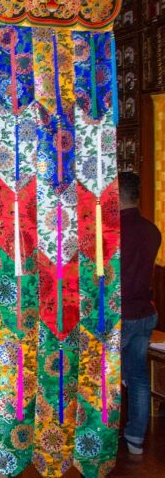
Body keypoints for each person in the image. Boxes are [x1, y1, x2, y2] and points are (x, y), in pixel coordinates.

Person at [118, 171, 160, 455]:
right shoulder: (151, 230)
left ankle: (101, 437)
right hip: (145, 311)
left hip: (119, 314)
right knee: (138, 376)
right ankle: (136, 438)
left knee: (103, 377)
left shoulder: (111, 231)